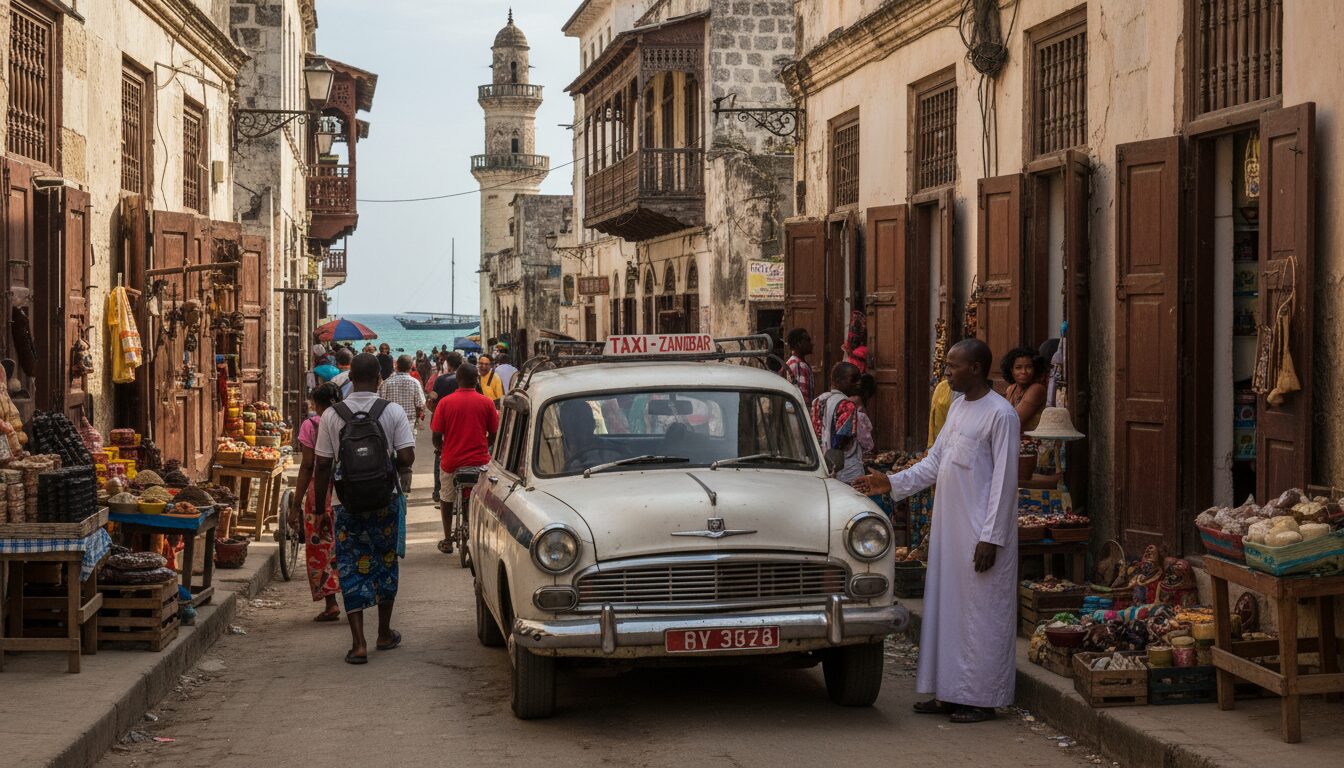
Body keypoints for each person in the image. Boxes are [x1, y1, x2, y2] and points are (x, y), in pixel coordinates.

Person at [853, 339, 1020, 723]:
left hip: (981, 533)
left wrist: (991, 537)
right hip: (950, 529)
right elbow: (934, 464)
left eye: (953, 365)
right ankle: (949, 691)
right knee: (947, 610)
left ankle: (981, 698)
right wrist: (891, 483)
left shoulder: (1001, 415)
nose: (946, 371)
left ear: (976, 367)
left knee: (982, 614)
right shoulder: (959, 407)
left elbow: (1004, 483)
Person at [312, 354, 415, 663]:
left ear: (351, 379)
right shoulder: (392, 411)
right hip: (385, 502)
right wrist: (386, 467)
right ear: (380, 379)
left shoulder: (332, 414)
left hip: (345, 505)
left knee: (349, 566)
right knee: (385, 563)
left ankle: (358, 644)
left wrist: (319, 511)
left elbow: (322, 466)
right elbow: (408, 457)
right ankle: (383, 633)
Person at [430, 363, 498, 555]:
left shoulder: (445, 403)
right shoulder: (486, 402)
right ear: (476, 380)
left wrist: (443, 449)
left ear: (457, 380)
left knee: (446, 496)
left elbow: (436, 436)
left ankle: (447, 538)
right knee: (486, 498)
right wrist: (484, 444)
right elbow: (493, 433)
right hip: (480, 460)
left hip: (452, 461)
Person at [290, 382, 342, 622]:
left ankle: (331, 603)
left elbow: (308, 465)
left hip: (318, 493)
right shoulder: (346, 419)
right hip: (345, 491)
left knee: (320, 547)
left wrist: (295, 504)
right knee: (343, 544)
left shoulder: (311, 425)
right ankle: (352, 598)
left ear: (316, 404)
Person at [810, 362, 870, 484]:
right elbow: (843, 438)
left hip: (822, 466)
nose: (858, 383)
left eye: (859, 379)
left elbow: (815, 432)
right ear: (838, 380)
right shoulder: (847, 405)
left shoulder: (818, 401)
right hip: (847, 470)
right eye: (853, 379)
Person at [379, 354, 426, 494]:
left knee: (389, 453)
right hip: (408, 423)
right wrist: (417, 417)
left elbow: (380, 403)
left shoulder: (386, 383)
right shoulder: (414, 382)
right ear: (411, 367)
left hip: (388, 423)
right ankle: (405, 488)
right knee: (407, 455)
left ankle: (391, 485)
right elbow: (420, 404)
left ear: (396, 366)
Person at [1000, 346, 1047, 432]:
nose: (1024, 372)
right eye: (1018, 368)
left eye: (1029, 367)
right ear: (1011, 370)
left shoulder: (1037, 389)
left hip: (1033, 443)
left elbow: (1014, 421)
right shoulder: (1011, 389)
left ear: (1035, 369)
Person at [782, 327, 815, 406]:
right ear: (798, 344)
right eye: (808, 340)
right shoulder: (798, 365)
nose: (811, 344)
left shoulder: (796, 363)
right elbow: (802, 398)